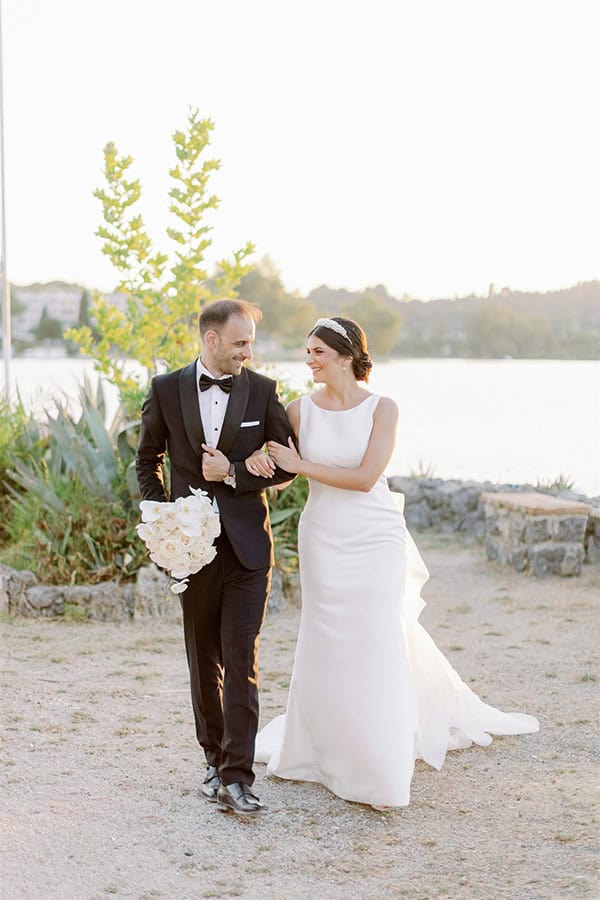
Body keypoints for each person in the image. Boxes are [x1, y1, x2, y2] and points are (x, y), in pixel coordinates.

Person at [251, 316, 539, 809]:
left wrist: (299, 466)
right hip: (323, 535)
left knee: (377, 634)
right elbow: (284, 476)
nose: (310, 359)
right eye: (308, 351)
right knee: (325, 636)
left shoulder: (383, 409)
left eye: (318, 351)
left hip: (375, 535)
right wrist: (259, 468)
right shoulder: (297, 410)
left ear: (346, 355)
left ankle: (376, 763)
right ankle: (319, 749)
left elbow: (366, 477)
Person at [135, 298, 295, 816]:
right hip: (192, 551)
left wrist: (232, 474)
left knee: (240, 660)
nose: (248, 351)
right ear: (211, 340)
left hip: (249, 551)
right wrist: (163, 517)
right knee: (204, 661)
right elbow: (147, 457)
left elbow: (289, 465)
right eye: (240, 342)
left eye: (251, 341)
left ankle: (237, 776)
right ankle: (212, 758)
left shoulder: (264, 391)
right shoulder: (165, 389)